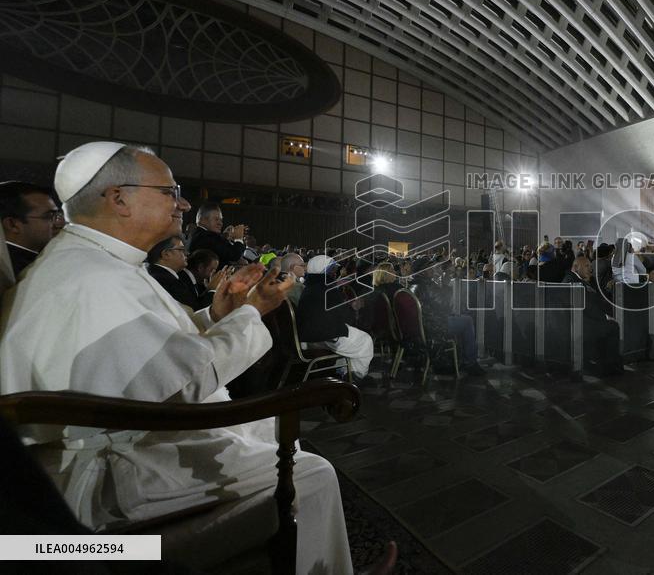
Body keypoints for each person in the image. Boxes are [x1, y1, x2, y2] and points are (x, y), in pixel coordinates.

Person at [0, 142, 380, 575]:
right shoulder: (90, 278)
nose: (182, 202)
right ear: (119, 198)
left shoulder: (92, 263)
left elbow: (151, 347)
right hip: (109, 476)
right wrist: (253, 313)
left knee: (269, 436)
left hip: (118, 441)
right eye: (169, 190)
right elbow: (182, 378)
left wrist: (217, 315)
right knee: (312, 471)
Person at [295, 255, 375, 382]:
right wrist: (353, 307)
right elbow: (346, 318)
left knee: (354, 342)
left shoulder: (309, 286)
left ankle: (343, 372)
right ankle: (355, 377)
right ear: (325, 271)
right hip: (324, 336)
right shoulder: (328, 288)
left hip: (306, 337)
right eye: (332, 269)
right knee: (365, 341)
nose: (334, 272)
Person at [562, 255, 622, 375]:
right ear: (575, 267)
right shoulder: (571, 281)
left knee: (611, 325)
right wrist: (604, 317)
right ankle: (609, 367)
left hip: (588, 319)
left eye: (590, 266)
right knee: (612, 327)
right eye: (586, 266)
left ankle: (605, 364)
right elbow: (584, 305)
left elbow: (598, 300)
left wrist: (610, 312)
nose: (590, 269)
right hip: (579, 322)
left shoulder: (585, 280)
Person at [0, 181, 64, 276]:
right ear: (12, 224)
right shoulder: (16, 273)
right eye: (49, 216)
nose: (60, 224)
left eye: (57, 215)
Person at [145, 235, 212, 311]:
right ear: (166, 254)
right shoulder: (167, 281)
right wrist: (212, 290)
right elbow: (195, 312)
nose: (187, 253)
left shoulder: (155, 273)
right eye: (181, 249)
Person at [187, 202, 247, 267]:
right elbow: (234, 255)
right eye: (216, 219)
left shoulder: (204, 235)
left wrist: (227, 238)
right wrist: (238, 238)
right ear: (202, 220)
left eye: (221, 220)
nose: (220, 223)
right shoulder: (204, 237)